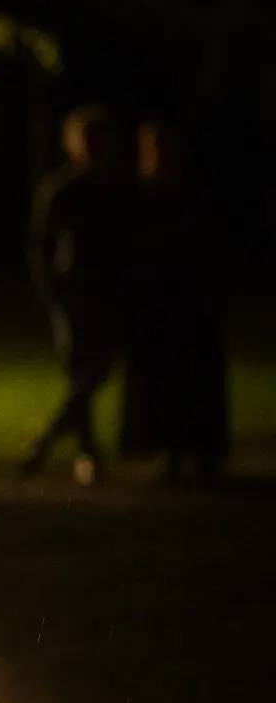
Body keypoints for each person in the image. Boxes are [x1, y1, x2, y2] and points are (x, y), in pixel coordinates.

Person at [22, 105, 130, 483]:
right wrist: (50, 289)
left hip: (108, 289)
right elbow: (40, 243)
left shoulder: (116, 187)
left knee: (94, 371)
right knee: (83, 368)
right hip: (75, 290)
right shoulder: (63, 188)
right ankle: (86, 449)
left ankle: (52, 438)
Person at [120, 120, 229, 482]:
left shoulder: (193, 194)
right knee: (161, 380)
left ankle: (200, 449)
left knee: (196, 378)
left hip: (193, 302)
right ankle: (168, 449)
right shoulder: (142, 196)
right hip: (157, 303)